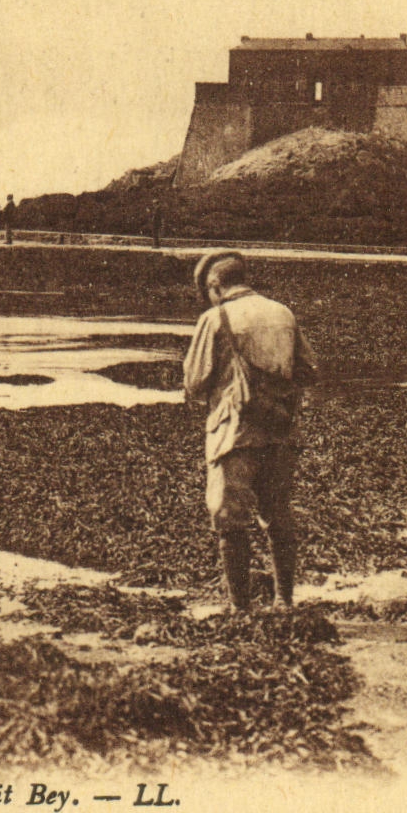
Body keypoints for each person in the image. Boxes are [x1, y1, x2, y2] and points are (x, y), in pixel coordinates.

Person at [182, 251, 317, 613]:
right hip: (281, 429)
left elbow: (194, 383)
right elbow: (308, 369)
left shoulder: (214, 318)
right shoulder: (282, 312)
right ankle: (284, 600)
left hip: (234, 434)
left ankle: (241, 608)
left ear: (215, 286)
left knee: (230, 518)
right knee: (278, 514)